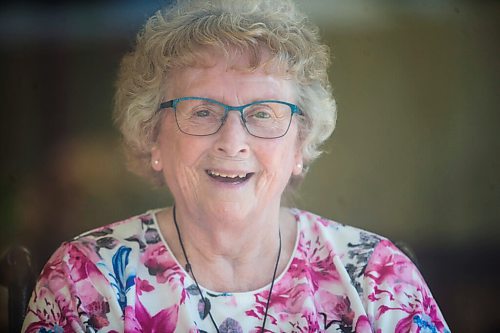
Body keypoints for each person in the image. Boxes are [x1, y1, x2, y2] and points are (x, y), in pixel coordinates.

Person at [22, 0, 450, 332]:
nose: (232, 141)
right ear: (153, 135)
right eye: (202, 111)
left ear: (300, 144)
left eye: (264, 113)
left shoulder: (377, 279)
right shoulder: (84, 281)